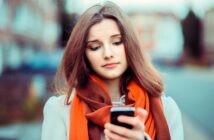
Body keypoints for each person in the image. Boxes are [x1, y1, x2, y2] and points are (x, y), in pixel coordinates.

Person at [41, 1, 184, 140]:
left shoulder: (166, 109)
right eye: (95, 47)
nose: (108, 54)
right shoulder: (60, 110)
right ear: (83, 54)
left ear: (130, 45)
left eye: (116, 42)